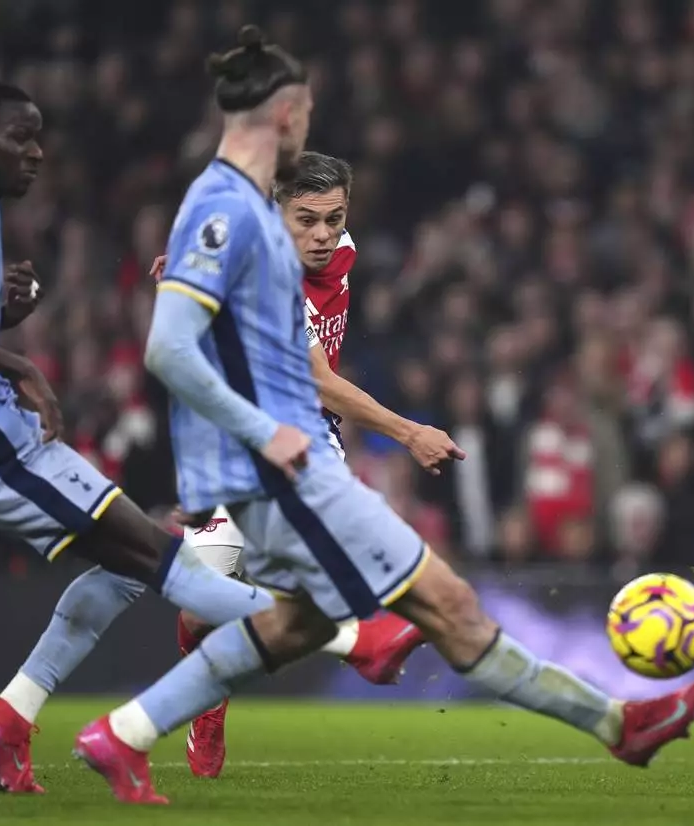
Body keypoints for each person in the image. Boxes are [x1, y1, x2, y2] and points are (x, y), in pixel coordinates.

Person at [72, 26, 694, 805]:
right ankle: (604, 720)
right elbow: (179, 352)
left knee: (292, 625)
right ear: (285, 112)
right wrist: (371, 432)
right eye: (305, 108)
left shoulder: (259, 219)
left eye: (331, 219)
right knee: (445, 605)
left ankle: (126, 733)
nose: (322, 232)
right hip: (282, 466)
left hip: (284, 462)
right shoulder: (230, 213)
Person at [0, 80, 272, 795]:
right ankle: (351, 630)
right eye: (19, 137)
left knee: (131, 567)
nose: (36, 152)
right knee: (159, 556)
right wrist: (22, 366)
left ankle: (10, 719)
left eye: (39, 137)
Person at [150, 150, 466, 778]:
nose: (323, 235)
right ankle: (221, 703)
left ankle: (370, 632)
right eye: (307, 221)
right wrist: (410, 433)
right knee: (200, 611)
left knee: (318, 553)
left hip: (303, 435)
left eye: (334, 219)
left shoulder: (331, 245)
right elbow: (320, 378)